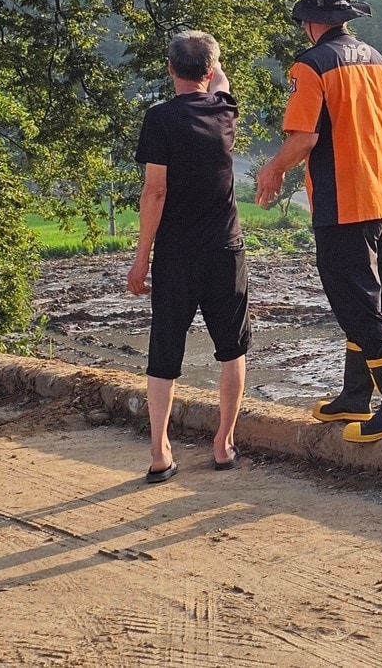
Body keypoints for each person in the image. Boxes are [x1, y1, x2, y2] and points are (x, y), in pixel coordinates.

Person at [255, 0, 382, 443]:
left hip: (343, 203)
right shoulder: (380, 63)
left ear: (309, 22)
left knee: (357, 308)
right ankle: (355, 395)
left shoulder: (310, 67)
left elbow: (305, 137)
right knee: (371, 305)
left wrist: (272, 169)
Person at [127, 31, 250, 482]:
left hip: (176, 255)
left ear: (169, 69)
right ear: (210, 68)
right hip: (224, 249)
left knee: (165, 351)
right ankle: (223, 444)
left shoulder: (159, 119)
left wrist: (141, 258)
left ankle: (160, 452)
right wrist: (213, 65)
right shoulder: (225, 110)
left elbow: (155, 190)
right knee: (231, 349)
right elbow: (221, 79)